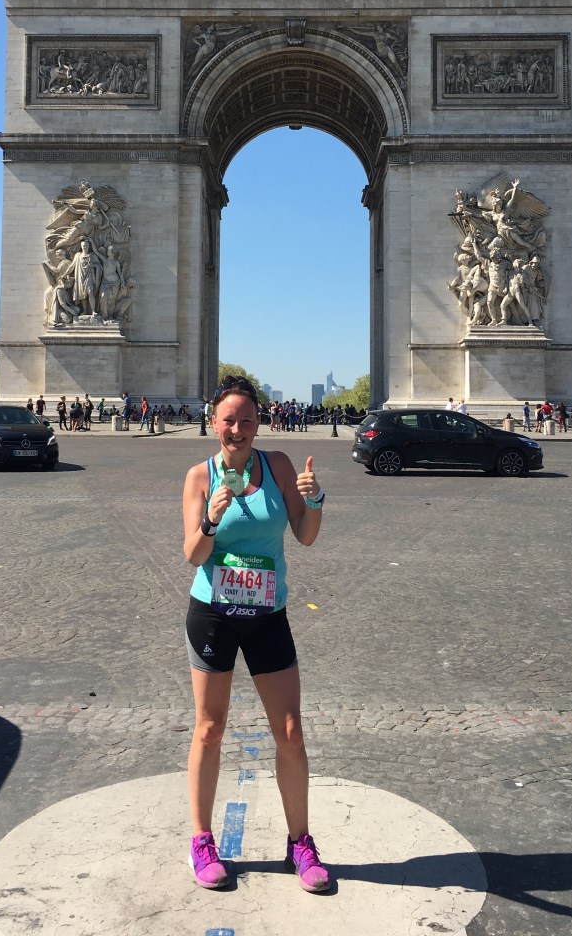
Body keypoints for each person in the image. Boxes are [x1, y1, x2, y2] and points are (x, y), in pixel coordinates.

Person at [182, 376, 329, 894]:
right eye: (229, 419)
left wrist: (315, 499)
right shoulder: (198, 476)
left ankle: (300, 842)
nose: (237, 428)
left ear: (259, 423)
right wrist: (210, 520)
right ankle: (202, 840)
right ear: (214, 423)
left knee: (290, 732)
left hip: (267, 614)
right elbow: (193, 555)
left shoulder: (281, 466)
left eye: (247, 419)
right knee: (209, 729)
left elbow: (305, 537)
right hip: (214, 614)